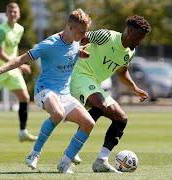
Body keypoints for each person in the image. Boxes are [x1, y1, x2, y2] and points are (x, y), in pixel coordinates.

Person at [0, 9, 94, 174]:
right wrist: (0, 70)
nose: (84, 35)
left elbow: (70, 51)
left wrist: (80, 53)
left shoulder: (75, 41)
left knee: (89, 123)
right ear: (70, 28)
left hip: (64, 94)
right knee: (57, 114)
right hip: (44, 90)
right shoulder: (49, 44)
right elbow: (21, 59)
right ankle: (34, 154)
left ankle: (65, 162)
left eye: (85, 31)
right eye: (82, 32)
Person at [70, 15, 151, 172]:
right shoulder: (106, 36)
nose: (140, 41)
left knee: (121, 119)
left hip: (94, 84)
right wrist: (71, 54)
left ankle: (102, 160)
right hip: (79, 75)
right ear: (130, 31)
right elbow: (79, 38)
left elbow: (121, 72)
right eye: (139, 37)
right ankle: (72, 151)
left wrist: (135, 89)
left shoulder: (129, 53)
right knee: (101, 105)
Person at [0, 2, 37, 144]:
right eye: (10, 11)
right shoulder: (1, 30)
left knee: (24, 97)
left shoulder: (20, 29)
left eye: (15, 11)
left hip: (12, 69)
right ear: (6, 14)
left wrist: (17, 64)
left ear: (18, 14)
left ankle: (23, 132)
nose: (13, 14)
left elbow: (14, 50)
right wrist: (19, 64)